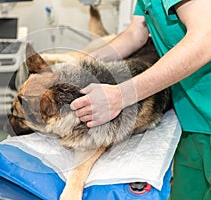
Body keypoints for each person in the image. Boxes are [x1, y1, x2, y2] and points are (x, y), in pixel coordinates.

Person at [70, 0, 211, 199]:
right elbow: (136, 33)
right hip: (192, 120)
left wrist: (120, 96)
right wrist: (87, 62)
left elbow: (205, 39)